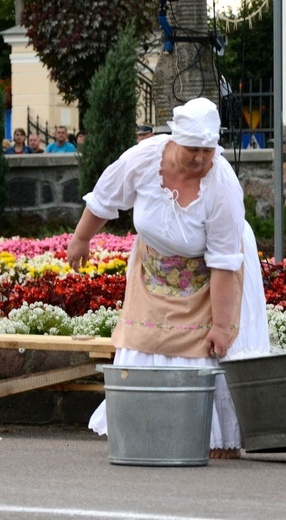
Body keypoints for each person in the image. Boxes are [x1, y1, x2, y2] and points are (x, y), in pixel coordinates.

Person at [67, 97, 270, 459]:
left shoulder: (221, 184)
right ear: (174, 140)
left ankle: (215, 439)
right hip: (153, 265)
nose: (201, 159)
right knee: (142, 337)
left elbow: (224, 263)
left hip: (211, 270)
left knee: (204, 348)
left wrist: (222, 327)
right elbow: (104, 199)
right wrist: (81, 238)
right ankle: (143, 425)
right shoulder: (143, 158)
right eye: (193, 149)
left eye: (208, 151)